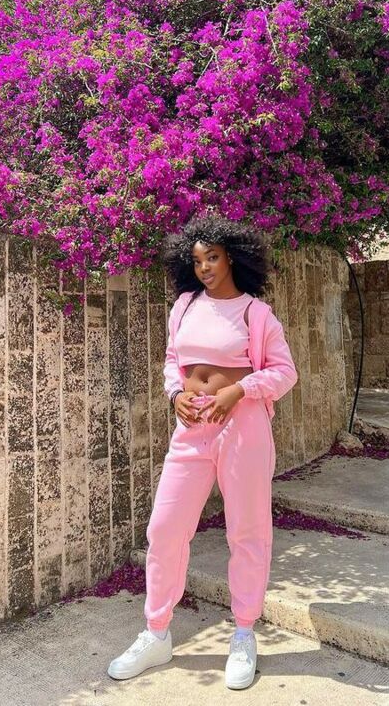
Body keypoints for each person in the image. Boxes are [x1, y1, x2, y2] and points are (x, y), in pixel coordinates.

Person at [107, 216, 298, 689]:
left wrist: (240, 390)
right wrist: (175, 394)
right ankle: (156, 633)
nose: (205, 267)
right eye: (196, 261)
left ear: (232, 257)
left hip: (244, 428)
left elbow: (284, 371)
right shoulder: (185, 306)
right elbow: (174, 360)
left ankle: (244, 633)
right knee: (165, 528)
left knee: (247, 531)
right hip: (191, 430)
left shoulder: (256, 313)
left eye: (212, 257)